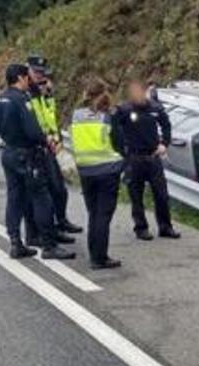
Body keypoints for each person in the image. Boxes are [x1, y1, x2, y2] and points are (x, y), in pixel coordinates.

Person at [0, 64, 74, 260]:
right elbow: (33, 131)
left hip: (9, 153)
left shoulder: (0, 98)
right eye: (27, 77)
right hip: (27, 154)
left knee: (15, 198)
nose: (29, 81)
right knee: (41, 197)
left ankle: (16, 243)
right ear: (20, 78)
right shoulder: (21, 100)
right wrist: (46, 141)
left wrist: (10, 136)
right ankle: (49, 245)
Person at [113, 80, 180, 240]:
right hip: (134, 158)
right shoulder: (124, 110)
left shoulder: (155, 108)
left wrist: (164, 143)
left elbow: (166, 125)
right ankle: (141, 227)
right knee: (136, 195)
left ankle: (165, 226)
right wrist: (123, 151)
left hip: (153, 156)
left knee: (161, 194)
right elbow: (114, 131)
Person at [27, 54, 83, 238]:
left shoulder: (44, 93)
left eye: (43, 74)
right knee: (48, 191)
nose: (41, 77)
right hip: (38, 147)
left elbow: (50, 117)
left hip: (52, 146)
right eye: (37, 73)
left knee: (59, 188)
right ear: (28, 72)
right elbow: (32, 121)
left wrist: (48, 95)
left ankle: (61, 221)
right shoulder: (27, 93)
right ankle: (49, 229)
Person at [69, 79, 124, 270]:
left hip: (86, 171)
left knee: (93, 214)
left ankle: (95, 255)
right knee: (103, 216)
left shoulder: (76, 116)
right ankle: (99, 258)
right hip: (107, 170)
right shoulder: (108, 117)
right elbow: (119, 143)